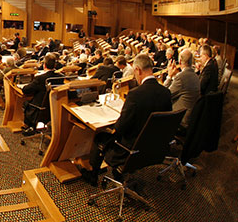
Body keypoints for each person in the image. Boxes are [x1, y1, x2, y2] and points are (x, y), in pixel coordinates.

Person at [80, 54, 172, 186]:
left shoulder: (135, 94)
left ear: (138, 70)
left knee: (100, 137)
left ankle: (93, 176)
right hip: (152, 149)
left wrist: (109, 128)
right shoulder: (166, 93)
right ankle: (118, 174)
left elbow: (120, 128)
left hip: (129, 150)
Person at [21, 54, 62, 136]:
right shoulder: (60, 77)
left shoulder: (40, 78)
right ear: (55, 65)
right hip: (53, 109)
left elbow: (26, 90)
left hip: (39, 110)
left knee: (25, 102)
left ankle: (30, 126)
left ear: (44, 65)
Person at [163, 49, 200, 129]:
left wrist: (169, 76)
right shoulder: (196, 76)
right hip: (190, 117)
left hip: (180, 120)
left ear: (179, 61)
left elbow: (165, 94)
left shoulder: (181, 77)